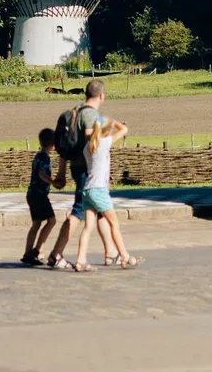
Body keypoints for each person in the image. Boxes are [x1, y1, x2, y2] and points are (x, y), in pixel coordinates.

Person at [46, 79, 106, 270]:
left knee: (101, 211)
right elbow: (91, 139)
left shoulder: (74, 111)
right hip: (86, 170)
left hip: (75, 166)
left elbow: (66, 145)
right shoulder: (89, 115)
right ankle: (56, 254)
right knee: (79, 211)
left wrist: (62, 172)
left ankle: (114, 253)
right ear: (101, 96)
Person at [73, 117, 137, 271]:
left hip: (87, 190)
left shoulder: (88, 146)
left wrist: (105, 123)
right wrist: (115, 121)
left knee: (88, 227)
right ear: (107, 131)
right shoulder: (105, 143)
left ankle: (80, 259)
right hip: (99, 190)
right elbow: (124, 130)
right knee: (114, 224)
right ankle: (124, 257)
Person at [22, 128, 58, 265]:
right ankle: (36, 250)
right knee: (51, 221)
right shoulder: (44, 157)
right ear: (53, 143)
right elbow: (42, 174)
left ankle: (27, 253)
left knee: (36, 223)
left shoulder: (38, 155)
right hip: (40, 194)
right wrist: (53, 182)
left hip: (32, 193)